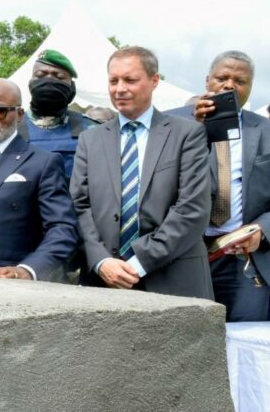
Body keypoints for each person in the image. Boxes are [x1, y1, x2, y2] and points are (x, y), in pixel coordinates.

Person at [71, 46, 212, 298]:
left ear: (154, 81)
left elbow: (192, 209)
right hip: (103, 282)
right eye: (113, 80)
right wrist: (102, 261)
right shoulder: (89, 140)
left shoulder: (187, 134)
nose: (120, 88)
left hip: (174, 279)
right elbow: (79, 206)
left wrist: (138, 262)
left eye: (130, 80)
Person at [168, 51, 270, 320]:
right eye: (222, 78)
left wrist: (264, 228)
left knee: (245, 342)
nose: (229, 85)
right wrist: (196, 128)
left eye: (240, 80)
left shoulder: (266, 130)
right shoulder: (171, 124)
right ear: (207, 80)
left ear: (250, 88)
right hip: (183, 256)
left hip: (243, 258)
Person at [0, 78, 78, 280]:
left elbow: (62, 228)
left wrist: (28, 269)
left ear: (19, 115)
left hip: (16, 286)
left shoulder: (42, 162)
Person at [18, 49, 98, 179]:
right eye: (40, 75)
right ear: (30, 83)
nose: (49, 80)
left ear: (72, 87)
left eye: (59, 77)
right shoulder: (9, 131)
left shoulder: (91, 130)